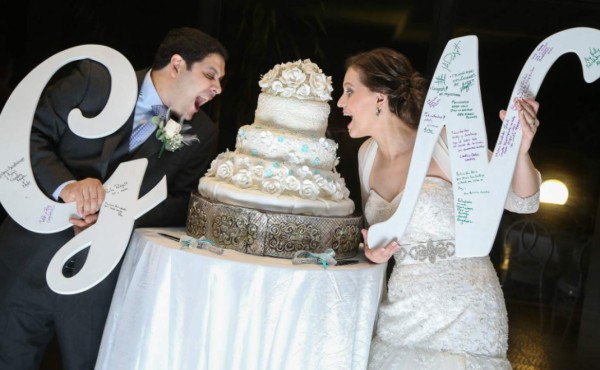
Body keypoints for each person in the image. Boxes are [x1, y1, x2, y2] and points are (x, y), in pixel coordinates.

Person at [0, 27, 227, 369]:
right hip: (30, 259)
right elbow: (27, 134)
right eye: (210, 74)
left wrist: (114, 213)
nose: (218, 88)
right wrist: (67, 187)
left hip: (104, 280)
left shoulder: (202, 133)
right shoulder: (95, 80)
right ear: (177, 65)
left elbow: (184, 202)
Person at [337, 48, 541, 369]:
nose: (341, 102)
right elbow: (380, 238)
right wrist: (374, 253)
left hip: (465, 311)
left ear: (380, 98)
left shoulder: (445, 142)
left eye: (349, 91)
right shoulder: (366, 156)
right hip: (401, 311)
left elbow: (523, 200)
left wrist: (521, 151)